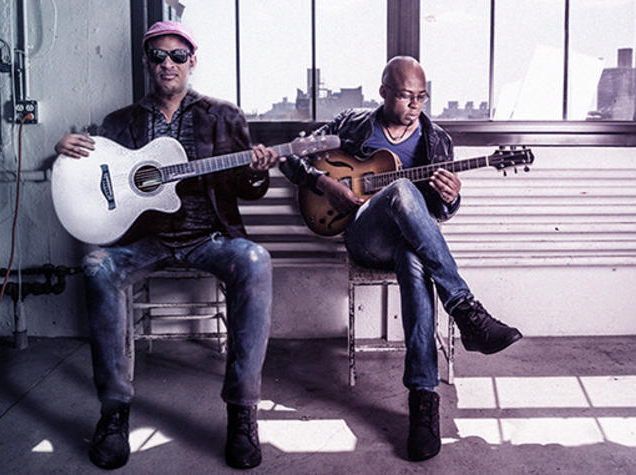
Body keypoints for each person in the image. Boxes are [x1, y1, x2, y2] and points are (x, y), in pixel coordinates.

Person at [54, 21, 279, 470]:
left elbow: (249, 189)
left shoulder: (224, 116)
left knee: (256, 260)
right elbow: (94, 178)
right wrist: (61, 150)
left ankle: (242, 412)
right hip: (144, 241)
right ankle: (114, 413)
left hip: (209, 237)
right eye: (158, 56)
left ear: (192, 61)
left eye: (178, 55)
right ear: (146, 63)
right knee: (97, 265)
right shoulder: (121, 122)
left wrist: (257, 168)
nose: (168, 64)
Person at [279, 56, 523, 462]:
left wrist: (451, 197)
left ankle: (423, 401)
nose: (415, 105)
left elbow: (439, 216)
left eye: (422, 97)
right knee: (402, 191)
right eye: (407, 95)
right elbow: (291, 155)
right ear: (384, 92)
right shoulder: (352, 123)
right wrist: (326, 184)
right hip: (363, 236)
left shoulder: (438, 141)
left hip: (409, 244)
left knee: (414, 256)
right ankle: (465, 310)